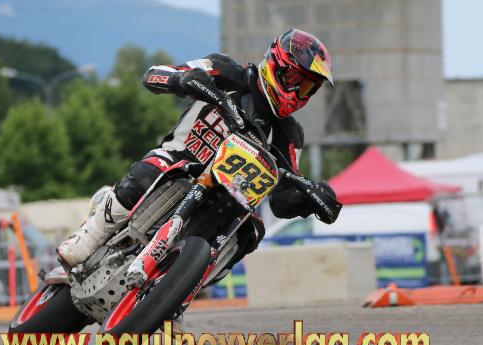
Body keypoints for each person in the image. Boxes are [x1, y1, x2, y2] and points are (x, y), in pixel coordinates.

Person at [58, 28, 336, 267]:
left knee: (251, 230)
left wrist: (310, 199)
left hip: (221, 201)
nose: (298, 93)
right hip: (179, 161)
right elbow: (154, 75)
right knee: (153, 169)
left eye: (307, 88)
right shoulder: (226, 71)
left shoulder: (290, 134)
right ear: (275, 65)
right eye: (295, 81)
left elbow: (281, 199)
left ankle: (183, 287)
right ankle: (91, 234)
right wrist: (184, 80)